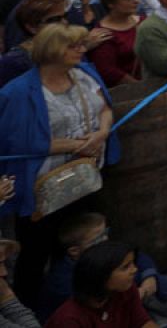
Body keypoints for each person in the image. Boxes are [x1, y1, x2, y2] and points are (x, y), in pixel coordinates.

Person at [0, 22, 119, 305]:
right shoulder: (18, 92)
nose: (82, 49)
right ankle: (35, 311)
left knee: (87, 243)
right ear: (52, 50)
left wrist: (102, 132)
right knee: (37, 252)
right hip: (44, 186)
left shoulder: (84, 74)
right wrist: (77, 145)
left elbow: (105, 108)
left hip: (85, 176)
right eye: (73, 46)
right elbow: (16, 143)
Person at [42, 241, 167, 328]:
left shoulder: (126, 290)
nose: (134, 270)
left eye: (133, 263)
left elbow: (142, 323)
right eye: (125, 267)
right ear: (101, 276)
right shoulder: (70, 319)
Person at [85, 0, 142, 87]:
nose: (136, 1)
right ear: (111, 4)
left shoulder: (143, 22)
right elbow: (108, 72)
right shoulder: (103, 34)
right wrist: (139, 86)